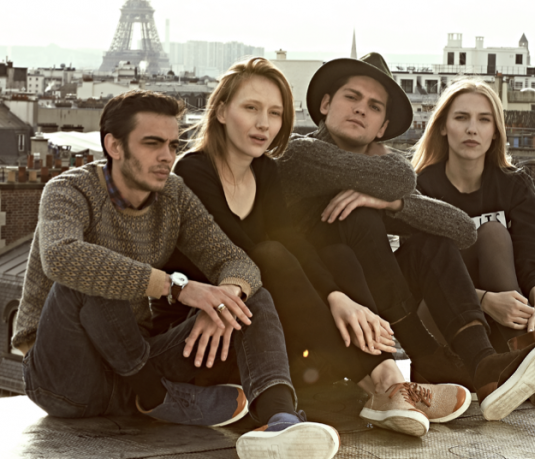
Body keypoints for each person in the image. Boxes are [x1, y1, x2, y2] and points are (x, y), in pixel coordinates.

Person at [12, 89, 340, 459]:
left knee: (249, 295)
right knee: (85, 275)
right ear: (114, 146)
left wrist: (223, 301)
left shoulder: (173, 195)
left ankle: (280, 420)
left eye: (172, 144)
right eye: (152, 143)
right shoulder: (69, 190)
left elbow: (236, 261)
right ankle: (154, 395)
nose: (167, 156)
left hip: (135, 362)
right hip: (66, 378)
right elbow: (61, 257)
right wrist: (176, 288)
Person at [158, 57, 471, 439]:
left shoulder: (264, 171)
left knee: (335, 254)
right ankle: (385, 386)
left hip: (273, 332)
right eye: (251, 108)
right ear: (221, 111)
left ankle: (389, 383)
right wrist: (331, 295)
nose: (263, 124)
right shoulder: (193, 171)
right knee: (270, 254)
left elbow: (293, 241)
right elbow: (243, 255)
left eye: (274, 113)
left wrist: (338, 296)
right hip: (208, 337)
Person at [276, 52, 535, 422]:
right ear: (325, 105)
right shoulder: (299, 153)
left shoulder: (380, 176)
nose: (361, 110)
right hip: (315, 319)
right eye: (351, 97)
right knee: (358, 222)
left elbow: (462, 229)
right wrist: (384, 191)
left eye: (374, 106)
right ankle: (425, 357)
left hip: (375, 320)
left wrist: (394, 203)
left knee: (430, 243)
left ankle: (482, 363)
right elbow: (400, 174)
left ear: (382, 127)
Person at [413, 78, 535, 412]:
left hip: (504, 331)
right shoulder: (422, 187)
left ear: (496, 131)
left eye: (484, 119)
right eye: (461, 118)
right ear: (442, 126)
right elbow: (418, 277)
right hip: (444, 326)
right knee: (493, 233)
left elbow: (532, 261)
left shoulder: (514, 184)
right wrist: (485, 301)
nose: (472, 129)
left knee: (493, 235)